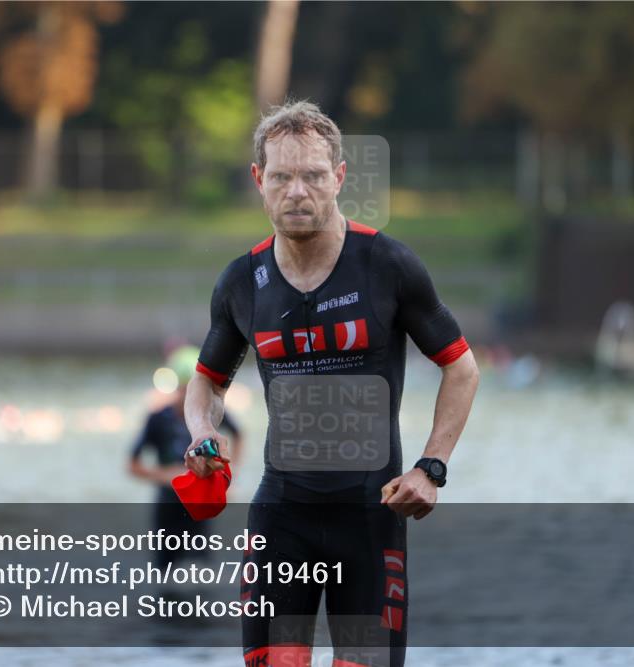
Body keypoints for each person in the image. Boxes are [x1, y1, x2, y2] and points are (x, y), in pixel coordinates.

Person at [183, 101, 479, 667]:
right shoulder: (242, 282)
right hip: (282, 517)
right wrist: (202, 433)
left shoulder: (388, 265)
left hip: (371, 518)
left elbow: (461, 368)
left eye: (314, 175)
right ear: (258, 182)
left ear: (339, 178)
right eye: (282, 176)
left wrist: (431, 467)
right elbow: (206, 384)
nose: (298, 191)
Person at [128, 345, 243, 568]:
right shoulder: (158, 418)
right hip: (168, 506)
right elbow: (132, 465)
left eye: (197, 392)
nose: (190, 398)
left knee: (200, 574)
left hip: (200, 502)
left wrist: (233, 472)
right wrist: (169, 475)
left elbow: (239, 435)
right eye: (185, 390)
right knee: (166, 575)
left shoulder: (212, 413)